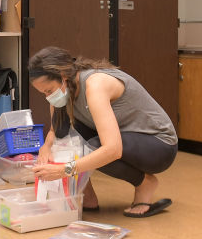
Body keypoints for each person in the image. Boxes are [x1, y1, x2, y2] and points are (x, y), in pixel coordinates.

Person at [28, 46, 177, 218]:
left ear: (63, 76)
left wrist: (64, 170)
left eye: (49, 91)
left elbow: (112, 149)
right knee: (66, 134)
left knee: (95, 147)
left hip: (160, 145)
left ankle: (144, 184)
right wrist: (46, 147)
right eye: (44, 93)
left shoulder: (95, 85)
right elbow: (56, 130)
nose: (48, 97)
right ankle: (87, 196)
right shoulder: (63, 89)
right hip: (126, 138)